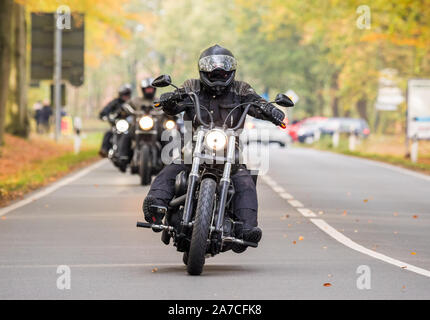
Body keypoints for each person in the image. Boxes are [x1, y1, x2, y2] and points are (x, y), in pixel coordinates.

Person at [143, 44, 285, 251]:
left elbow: (256, 102)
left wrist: (270, 109)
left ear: (231, 69)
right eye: (212, 67)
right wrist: (169, 100)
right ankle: (156, 206)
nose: (218, 72)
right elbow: (175, 104)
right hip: (194, 149)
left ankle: (247, 227)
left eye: (223, 68)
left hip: (230, 154)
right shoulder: (192, 86)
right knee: (173, 168)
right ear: (202, 69)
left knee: (245, 180)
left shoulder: (241, 89)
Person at [99, 84, 132, 157]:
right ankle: (104, 150)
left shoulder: (132, 102)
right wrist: (104, 115)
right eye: (124, 94)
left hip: (130, 126)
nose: (126, 96)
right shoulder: (115, 102)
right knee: (108, 133)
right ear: (120, 94)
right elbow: (105, 110)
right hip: (117, 124)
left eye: (127, 94)